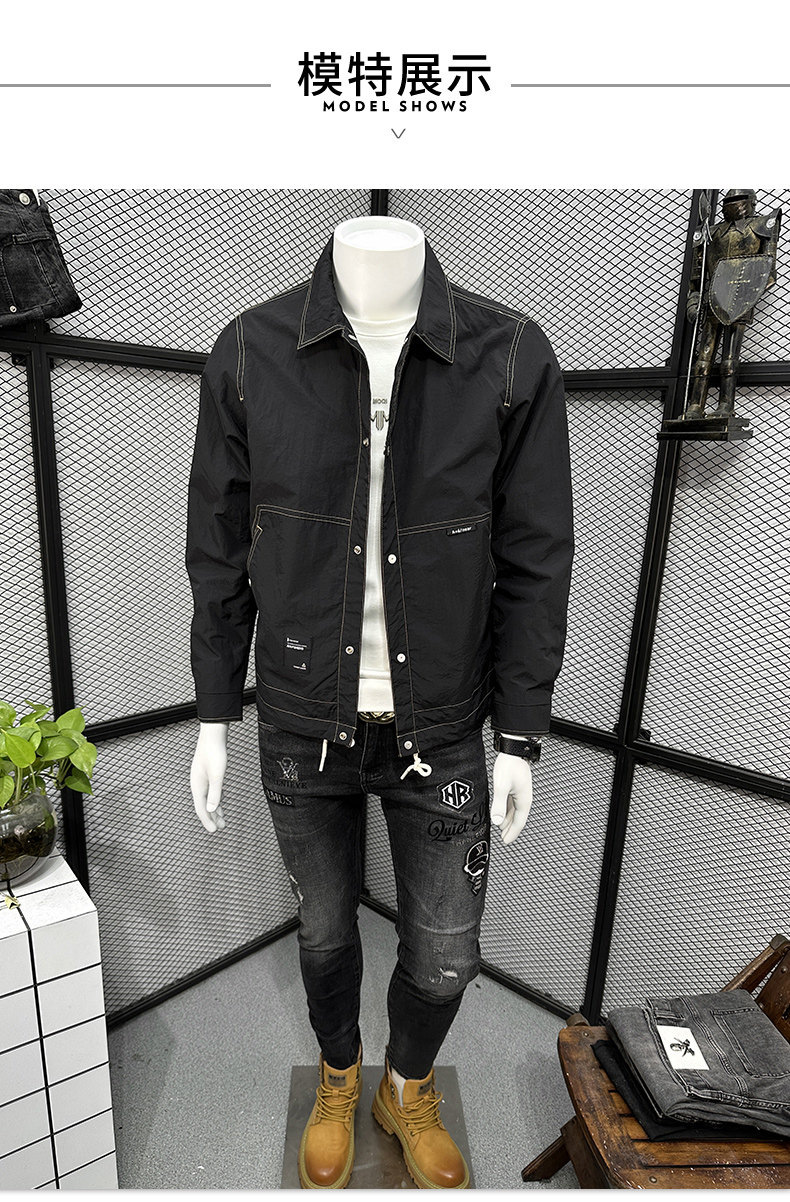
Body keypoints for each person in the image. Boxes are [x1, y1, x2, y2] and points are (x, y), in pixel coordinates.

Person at [186, 216, 574, 1189]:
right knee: (323, 930)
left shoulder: (510, 356)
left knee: (446, 954)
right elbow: (218, 549)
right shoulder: (250, 351)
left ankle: (406, 1086)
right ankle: (339, 1073)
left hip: (442, 724)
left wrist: (520, 733)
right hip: (299, 720)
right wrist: (212, 716)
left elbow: (536, 558)